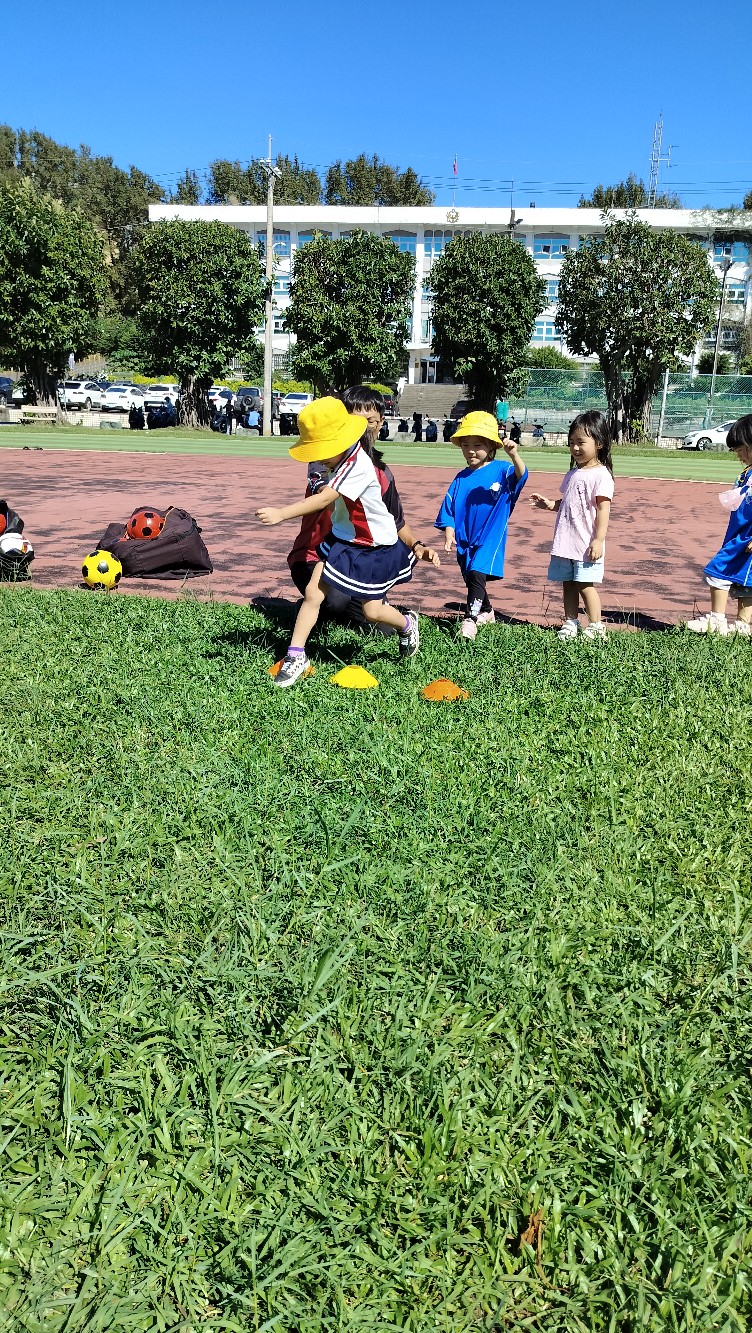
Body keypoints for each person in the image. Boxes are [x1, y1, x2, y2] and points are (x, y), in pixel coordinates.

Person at [257, 397, 422, 687]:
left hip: (373, 546)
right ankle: (296, 655)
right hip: (343, 538)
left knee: (372, 611)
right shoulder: (338, 458)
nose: (319, 458)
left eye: (323, 451)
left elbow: (324, 499)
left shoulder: (357, 465)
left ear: (342, 440)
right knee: (314, 593)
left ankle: (407, 624)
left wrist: (281, 513)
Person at [286, 385, 439, 628]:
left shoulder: (382, 473)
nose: (364, 428)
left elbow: (395, 521)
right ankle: (308, 607)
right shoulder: (324, 461)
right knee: (334, 601)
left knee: (381, 626)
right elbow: (327, 498)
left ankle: (395, 619)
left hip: (357, 560)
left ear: (381, 423)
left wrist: (417, 545)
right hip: (316, 555)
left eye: (370, 421)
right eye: (355, 421)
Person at [435, 410, 528, 640]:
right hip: (465, 538)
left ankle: (470, 619)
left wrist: (515, 455)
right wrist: (449, 532)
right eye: (465, 445)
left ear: (491, 446)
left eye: (477, 445)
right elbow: (449, 507)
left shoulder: (502, 470)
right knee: (471, 576)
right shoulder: (460, 477)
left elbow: (521, 475)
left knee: (477, 572)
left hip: (490, 536)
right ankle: (487, 610)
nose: (471, 450)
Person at [529, 409, 614, 641]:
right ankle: (570, 622)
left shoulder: (601, 475)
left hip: (586, 543)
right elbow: (568, 502)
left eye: (581, 442)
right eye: (572, 443)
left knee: (585, 584)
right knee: (567, 583)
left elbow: (603, 510)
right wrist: (550, 504)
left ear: (599, 443)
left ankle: (596, 626)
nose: (575, 448)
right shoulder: (573, 473)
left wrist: (599, 540)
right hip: (566, 541)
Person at [685, 413, 752, 635]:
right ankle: (742, 626)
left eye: (740, 450)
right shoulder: (747, 472)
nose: (738, 456)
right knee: (745, 582)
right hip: (738, 534)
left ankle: (716, 619)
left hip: (748, 538)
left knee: (718, 571)